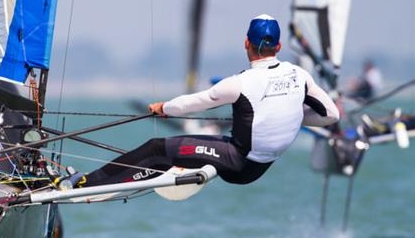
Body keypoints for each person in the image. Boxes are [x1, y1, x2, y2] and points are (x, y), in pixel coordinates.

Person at [68, 15, 340, 188]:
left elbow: (194, 103)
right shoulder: (299, 75)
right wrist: (292, 115)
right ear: (278, 47)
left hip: (239, 164)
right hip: (262, 164)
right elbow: (331, 114)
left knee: (155, 148)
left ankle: (86, 183)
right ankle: (125, 179)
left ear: (246, 43)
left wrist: (164, 108)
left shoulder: (240, 83)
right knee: (171, 153)